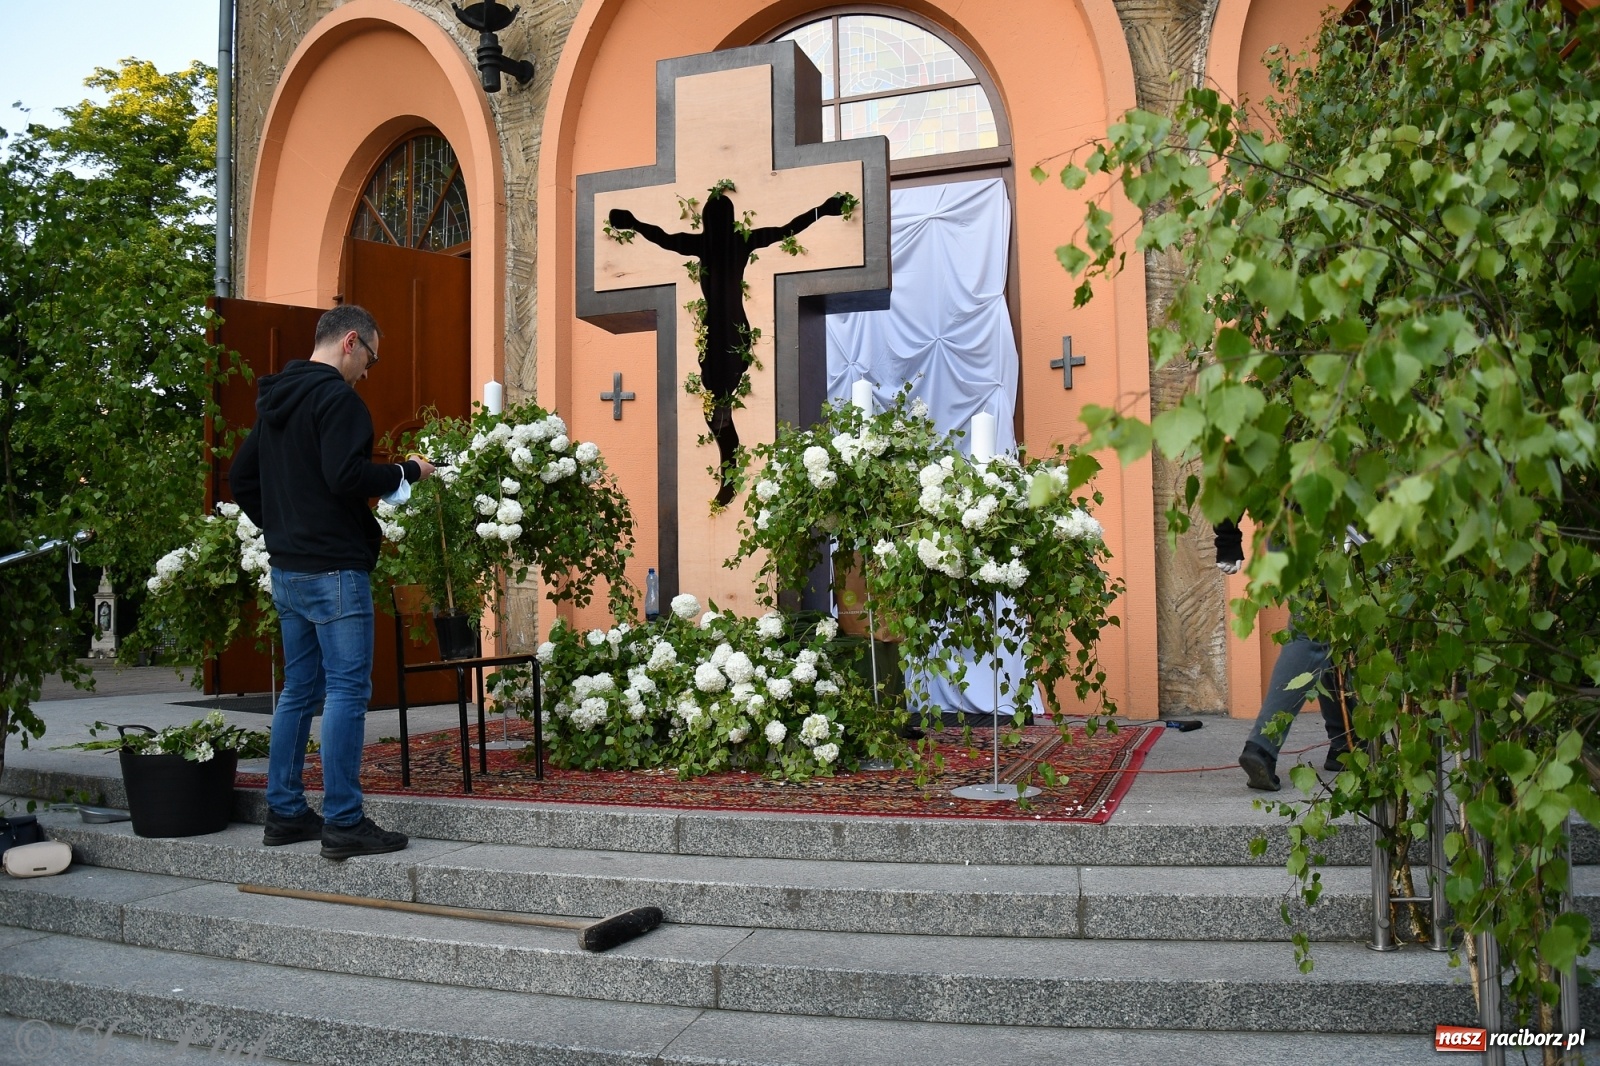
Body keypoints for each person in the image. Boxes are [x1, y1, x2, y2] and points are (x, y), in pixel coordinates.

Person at [229, 305, 434, 859]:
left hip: (288, 569)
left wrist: (284, 526)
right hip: (335, 572)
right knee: (346, 691)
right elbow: (346, 476)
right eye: (370, 357)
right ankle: (344, 821)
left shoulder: (276, 399)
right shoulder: (338, 399)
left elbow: (241, 477)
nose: (368, 371)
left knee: (299, 690)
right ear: (350, 342)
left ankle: (286, 811)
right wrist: (406, 472)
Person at [1214, 520, 1354, 792]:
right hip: (1328, 528)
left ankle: (1346, 743)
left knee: (1331, 628)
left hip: (1285, 529)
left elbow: (1233, 477)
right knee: (1313, 632)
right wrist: (1227, 538)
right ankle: (1262, 747)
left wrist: (1228, 538)